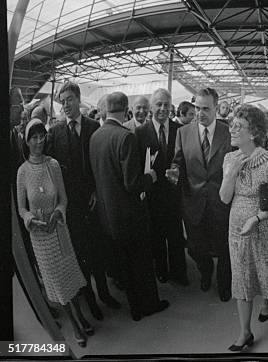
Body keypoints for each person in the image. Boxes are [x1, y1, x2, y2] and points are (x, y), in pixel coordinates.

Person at [90, 92, 169, 321]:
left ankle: (135, 309)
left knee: (126, 265)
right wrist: (151, 176)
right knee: (142, 264)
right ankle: (150, 305)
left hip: (108, 215)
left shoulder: (96, 136)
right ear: (127, 110)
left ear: (106, 109)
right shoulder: (126, 137)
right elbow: (132, 183)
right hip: (131, 215)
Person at [46, 82, 121, 321]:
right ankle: (91, 301)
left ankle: (105, 294)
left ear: (78, 99)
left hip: (94, 202)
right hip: (72, 207)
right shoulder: (55, 133)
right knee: (81, 256)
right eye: (62, 101)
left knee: (99, 251)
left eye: (69, 99)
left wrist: (97, 192)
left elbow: (100, 166)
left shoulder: (93, 127)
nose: (65, 105)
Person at [220, 104, 268, 351]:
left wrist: (258, 218)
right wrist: (230, 175)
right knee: (241, 277)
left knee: (263, 272)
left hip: (262, 227)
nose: (231, 129)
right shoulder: (230, 158)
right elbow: (224, 198)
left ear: (253, 133)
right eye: (232, 124)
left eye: (238, 126)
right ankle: (245, 332)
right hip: (236, 230)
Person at [16, 119, 93, 347]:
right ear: (27, 141)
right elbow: (21, 208)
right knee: (58, 285)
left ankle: (80, 316)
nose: (39, 141)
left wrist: (58, 213)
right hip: (40, 238)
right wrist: (32, 220)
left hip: (59, 230)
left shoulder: (54, 165)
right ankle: (76, 325)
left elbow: (64, 199)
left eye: (42, 136)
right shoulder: (22, 172)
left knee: (70, 278)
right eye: (34, 137)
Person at [168, 87, 233, 302]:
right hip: (193, 202)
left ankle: (225, 284)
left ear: (216, 108)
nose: (200, 113)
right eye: (197, 108)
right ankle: (206, 273)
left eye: (206, 108)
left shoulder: (229, 132)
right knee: (195, 248)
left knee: (224, 249)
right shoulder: (183, 133)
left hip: (221, 202)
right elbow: (178, 162)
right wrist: (174, 172)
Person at [135, 89, 187, 286]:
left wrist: (178, 171)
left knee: (175, 235)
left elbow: (185, 159)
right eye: (159, 104)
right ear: (151, 107)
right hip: (153, 194)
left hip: (174, 193)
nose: (163, 109)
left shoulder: (179, 130)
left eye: (166, 104)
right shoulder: (140, 132)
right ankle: (162, 271)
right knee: (156, 236)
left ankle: (179, 273)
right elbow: (140, 163)